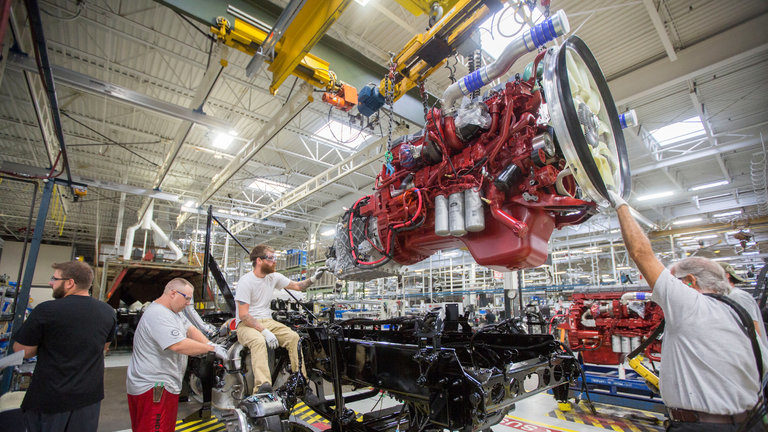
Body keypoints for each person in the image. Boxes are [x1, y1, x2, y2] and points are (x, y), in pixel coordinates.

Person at [609, 191, 767, 431]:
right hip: (750, 422)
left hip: (704, 427)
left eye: (676, 280)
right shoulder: (739, 315)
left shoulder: (691, 304)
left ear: (691, 282)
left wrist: (620, 205)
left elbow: (641, 254)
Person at [12, 261, 116, 432]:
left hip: (52, 399)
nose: (50, 282)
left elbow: (23, 351)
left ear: (70, 283)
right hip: (89, 399)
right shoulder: (107, 312)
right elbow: (104, 347)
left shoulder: (46, 310)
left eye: (55, 278)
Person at [126, 278, 227, 432]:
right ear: (173, 293)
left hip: (166, 385)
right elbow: (178, 345)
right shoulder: (158, 314)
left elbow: (190, 329)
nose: (188, 303)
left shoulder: (174, 312)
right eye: (186, 298)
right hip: (154, 388)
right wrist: (210, 350)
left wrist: (211, 344)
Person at [235, 244, 326, 393]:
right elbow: (244, 315)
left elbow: (297, 286)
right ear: (259, 260)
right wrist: (264, 332)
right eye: (271, 258)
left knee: (293, 337)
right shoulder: (246, 281)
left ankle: (300, 380)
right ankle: (262, 388)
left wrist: (314, 278)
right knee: (258, 341)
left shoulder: (273, 277)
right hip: (246, 324)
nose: (274, 261)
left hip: (268, 321)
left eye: (275, 258)